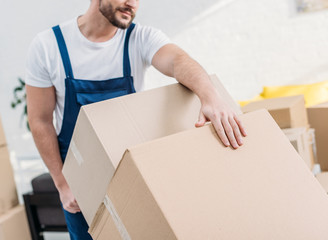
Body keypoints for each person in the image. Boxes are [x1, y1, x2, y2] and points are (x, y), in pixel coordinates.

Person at [25, 0, 247, 239]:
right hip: (82, 187)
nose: (132, 3)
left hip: (132, 177)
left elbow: (178, 61)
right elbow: (40, 121)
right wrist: (63, 184)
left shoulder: (141, 38)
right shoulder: (48, 46)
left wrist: (210, 96)